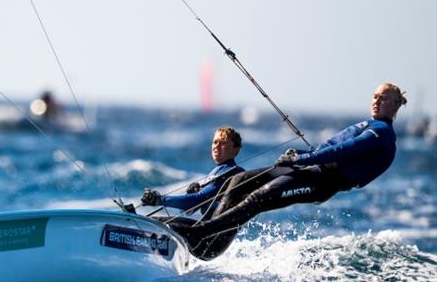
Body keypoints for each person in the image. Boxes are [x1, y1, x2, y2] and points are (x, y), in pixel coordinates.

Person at [170, 82, 406, 258]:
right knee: (239, 180)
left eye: (383, 98)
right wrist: (301, 157)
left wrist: (301, 159)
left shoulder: (382, 133)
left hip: (322, 181)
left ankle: (203, 241)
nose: (376, 101)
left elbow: (344, 149)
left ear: (396, 105)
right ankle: (202, 228)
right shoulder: (368, 123)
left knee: (259, 198)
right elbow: (327, 148)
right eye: (375, 96)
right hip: (309, 168)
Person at [140, 126, 244, 259]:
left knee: (160, 225)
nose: (217, 146)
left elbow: (196, 200)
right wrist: (190, 194)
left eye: (223, 143)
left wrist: (159, 200)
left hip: (210, 241)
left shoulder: (232, 173)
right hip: (203, 233)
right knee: (153, 222)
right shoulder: (217, 171)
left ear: (236, 149)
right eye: (215, 142)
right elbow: (189, 210)